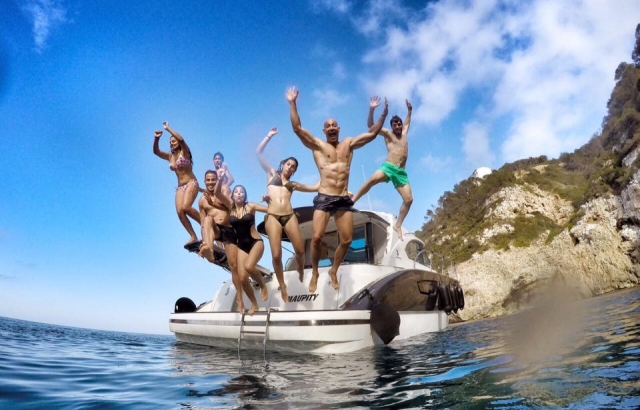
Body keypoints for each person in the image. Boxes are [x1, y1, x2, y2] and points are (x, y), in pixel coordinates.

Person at [286, 86, 388, 292]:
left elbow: (372, 134)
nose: (331, 127)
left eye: (334, 125)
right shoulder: (317, 146)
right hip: (324, 197)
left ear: (338, 128)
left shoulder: (348, 144)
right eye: (327, 126)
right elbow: (297, 128)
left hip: (342, 199)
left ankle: (333, 270)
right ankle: (314, 271)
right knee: (315, 238)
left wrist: (382, 114)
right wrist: (293, 103)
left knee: (347, 239)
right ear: (324, 131)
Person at [256, 127, 320, 302]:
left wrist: (325, 171)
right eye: (289, 164)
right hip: (273, 216)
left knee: (300, 251)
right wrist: (268, 136)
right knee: (276, 256)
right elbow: (258, 152)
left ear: (294, 171)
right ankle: (282, 285)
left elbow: (315, 187)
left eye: (293, 167)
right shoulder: (271, 174)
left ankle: (300, 268)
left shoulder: (293, 184)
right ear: (283, 164)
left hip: (289, 215)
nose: (290, 167)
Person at [353, 97, 413, 240]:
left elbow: (408, 121)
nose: (398, 126)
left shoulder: (404, 132)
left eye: (399, 123)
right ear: (392, 126)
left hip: (401, 172)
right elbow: (371, 126)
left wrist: (410, 110)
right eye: (395, 124)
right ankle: (353, 200)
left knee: (409, 200)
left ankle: (397, 225)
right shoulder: (387, 133)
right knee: (372, 180)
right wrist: (372, 109)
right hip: (389, 167)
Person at [197, 169, 251, 313]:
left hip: (229, 231)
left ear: (217, 181)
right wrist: (204, 240)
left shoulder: (224, 193)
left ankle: (240, 299)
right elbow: (203, 223)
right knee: (208, 219)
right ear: (204, 181)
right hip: (216, 230)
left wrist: (215, 201)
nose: (210, 182)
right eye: (207, 180)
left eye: (213, 180)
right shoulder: (202, 201)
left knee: (234, 266)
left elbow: (233, 207)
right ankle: (209, 248)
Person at [152, 121, 201, 247]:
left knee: (186, 207)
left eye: (173, 141)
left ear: (178, 143)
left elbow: (181, 139)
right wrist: (156, 139)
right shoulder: (170, 156)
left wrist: (168, 128)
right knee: (180, 211)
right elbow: (156, 152)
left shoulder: (185, 151)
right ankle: (193, 236)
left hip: (191, 182)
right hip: (180, 186)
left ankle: (205, 224)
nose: (171, 143)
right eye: (170, 142)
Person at [228, 184, 270, 315]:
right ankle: (254, 304)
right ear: (233, 195)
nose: (239, 193)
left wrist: (269, 200)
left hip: (255, 242)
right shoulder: (230, 210)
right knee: (242, 279)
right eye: (236, 192)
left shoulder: (251, 206)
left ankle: (263, 286)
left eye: (242, 192)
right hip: (242, 246)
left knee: (249, 266)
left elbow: (270, 209)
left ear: (245, 195)